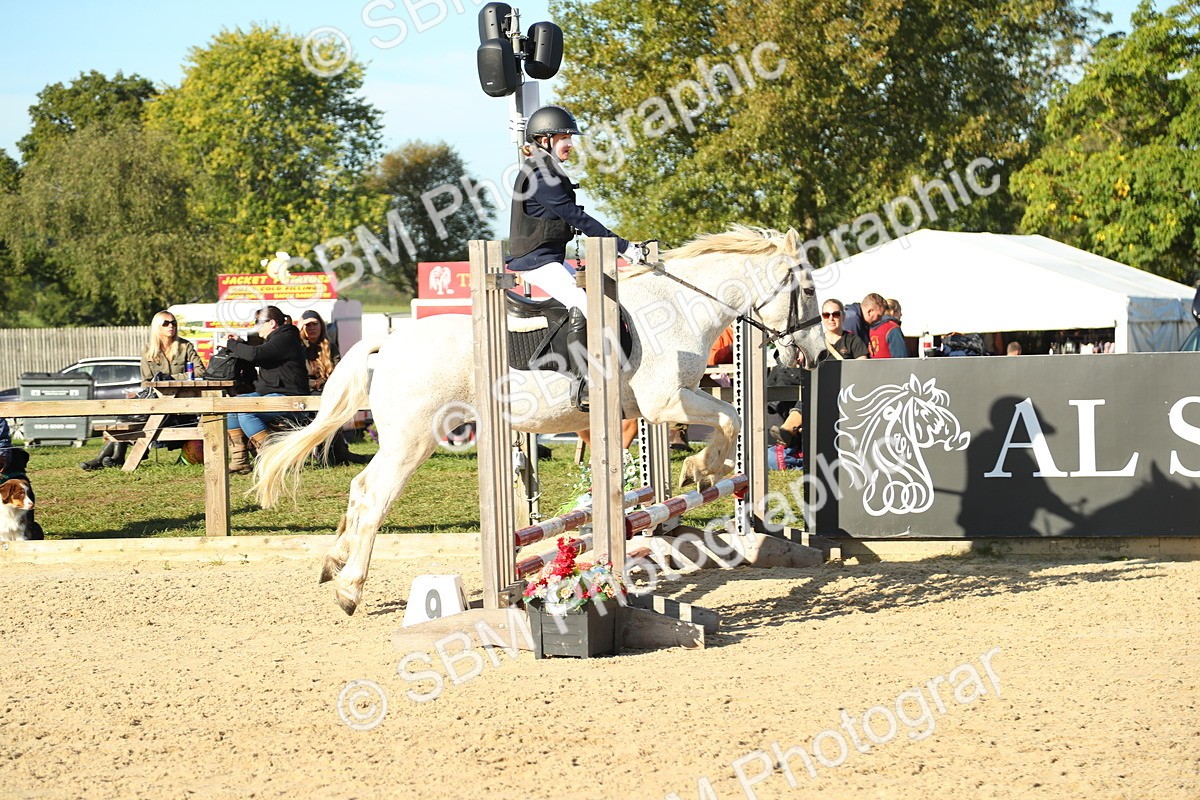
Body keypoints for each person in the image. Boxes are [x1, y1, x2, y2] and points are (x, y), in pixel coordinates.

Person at [508, 104, 647, 406]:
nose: (570, 144)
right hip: (536, 261)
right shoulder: (542, 174)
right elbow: (576, 217)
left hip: (549, 258)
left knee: (595, 300)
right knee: (583, 304)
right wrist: (625, 248)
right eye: (563, 137)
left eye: (570, 137)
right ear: (544, 140)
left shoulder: (547, 169)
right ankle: (583, 380)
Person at [81, 310, 206, 471]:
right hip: (155, 402)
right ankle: (115, 456)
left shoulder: (185, 346)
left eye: (174, 323)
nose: (171, 326)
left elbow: (200, 371)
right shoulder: (149, 350)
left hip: (180, 404)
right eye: (166, 323)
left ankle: (111, 457)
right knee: (128, 414)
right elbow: (146, 382)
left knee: (131, 417)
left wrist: (169, 378)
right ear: (157, 327)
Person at [224, 306, 308, 474]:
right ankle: (240, 460)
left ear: (271, 323)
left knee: (246, 410)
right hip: (275, 395)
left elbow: (256, 355)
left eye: (258, 323)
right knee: (232, 405)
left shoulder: (286, 338)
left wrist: (232, 344)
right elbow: (258, 354)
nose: (256, 327)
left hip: (291, 399)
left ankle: (273, 458)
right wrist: (240, 345)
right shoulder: (278, 339)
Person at [299, 310, 369, 466]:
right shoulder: (298, 348)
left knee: (333, 409)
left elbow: (338, 373)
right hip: (305, 394)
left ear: (321, 326)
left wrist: (324, 384)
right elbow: (298, 377)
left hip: (328, 392)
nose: (312, 328)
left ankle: (335, 452)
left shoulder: (330, 347)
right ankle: (335, 453)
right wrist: (316, 383)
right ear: (302, 327)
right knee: (322, 412)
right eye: (308, 325)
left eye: (315, 324)